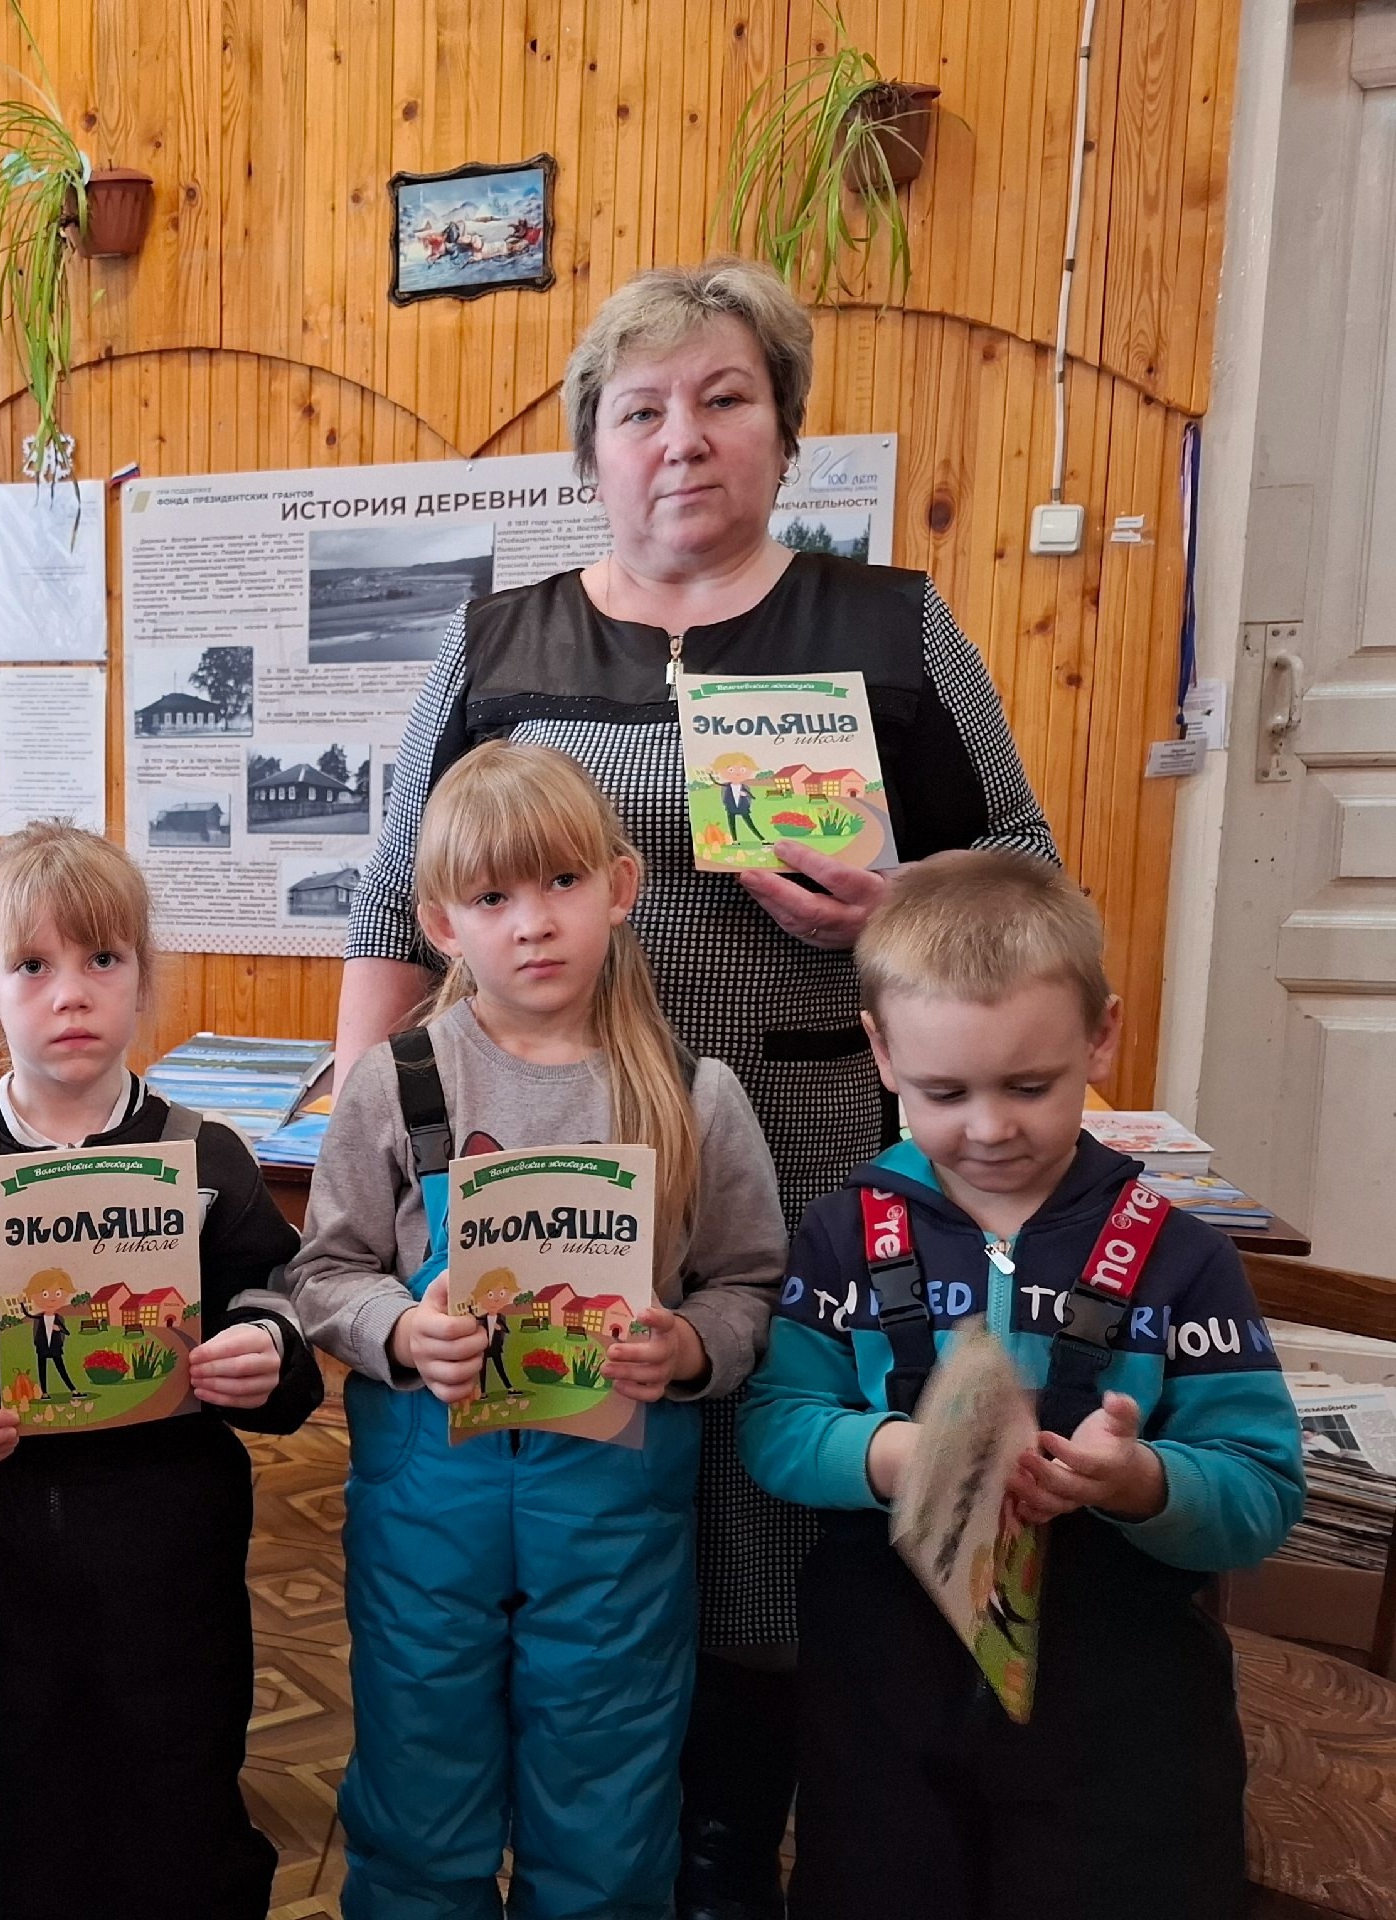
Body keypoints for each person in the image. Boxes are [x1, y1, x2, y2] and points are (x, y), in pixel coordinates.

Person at [332, 255, 1057, 1918]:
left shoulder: (889, 626)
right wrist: (373, 1114)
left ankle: (733, 1849)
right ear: (595, 443)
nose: (685, 438)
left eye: (727, 398)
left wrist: (908, 897)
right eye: (643, 408)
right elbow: (393, 893)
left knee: (787, 1504)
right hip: (553, 1128)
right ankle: (619, 1834)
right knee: (607, 1475)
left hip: (818, 1131)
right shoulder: (500, 640)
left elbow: (1030, 866)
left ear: (785, 432)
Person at [739, 851, 1304, 1920]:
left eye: (1030, 1086)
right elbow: (775, 1428)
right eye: (944, 1092)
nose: (989, 1127)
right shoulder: (843, 1233)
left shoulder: (1182, 1257)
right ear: (880, 1053)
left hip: (1117, 1703)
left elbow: (1261, 1492)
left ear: (1101, 1036)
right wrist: (897, 1453)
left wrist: (1140, 1479)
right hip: (886, 1695)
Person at [289, 741, 786, 1920]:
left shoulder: (687, 1088)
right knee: (417, 1787)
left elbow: (749, 1283)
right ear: (442, 925)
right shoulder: (396, 1082)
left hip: (615, 1518)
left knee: (609, 1801)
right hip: (426, 1511)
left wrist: (693, 1347)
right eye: (493, 898)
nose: (533, 924)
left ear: (620, 887)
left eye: (561, 884)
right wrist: (404, 1331)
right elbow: (324, 1272)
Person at [0, 823, 322, 1919]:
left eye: (101, 961)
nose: (69, 992)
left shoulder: (205, 1157)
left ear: (139, 980)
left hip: (169, 1574)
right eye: (32, 966)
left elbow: (282, 1296)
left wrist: (264, 1350)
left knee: (179, 1805)